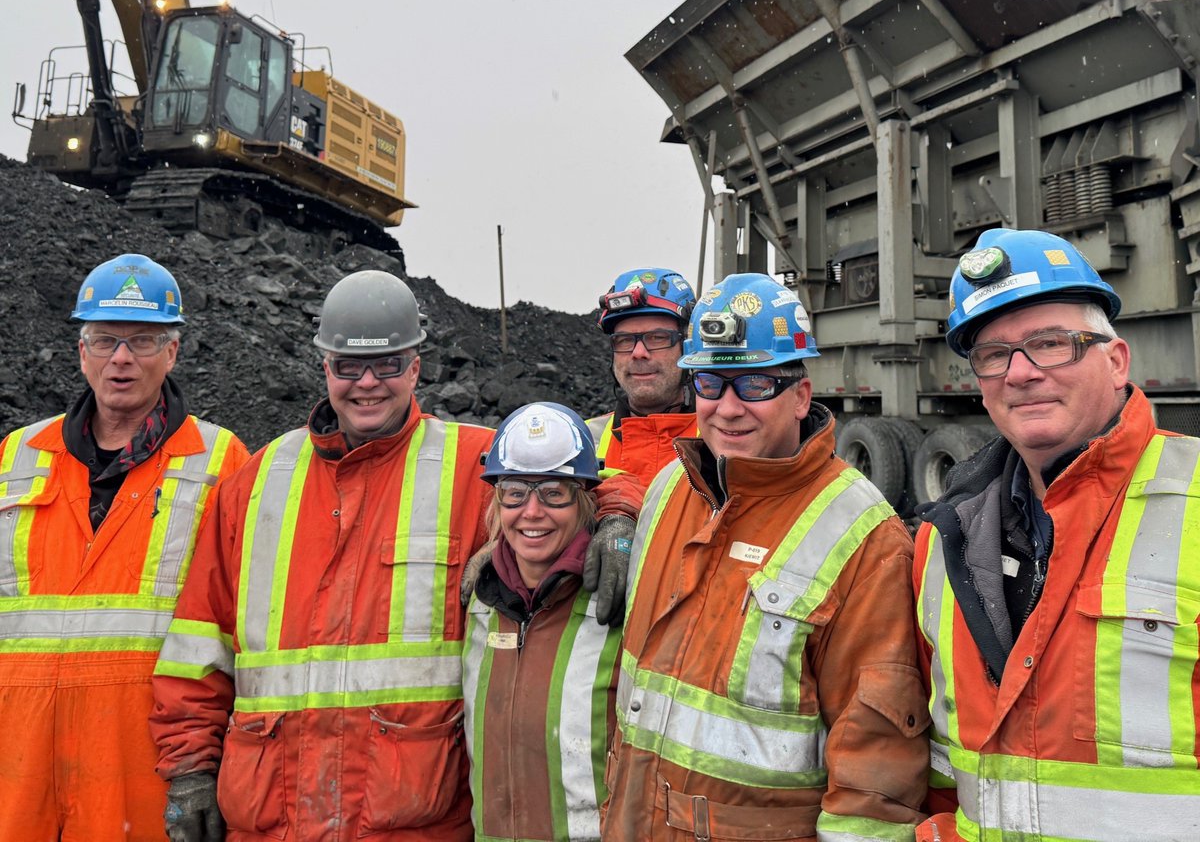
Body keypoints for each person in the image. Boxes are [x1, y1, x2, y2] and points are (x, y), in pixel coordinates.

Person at [151, 269, 640, 842]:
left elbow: (576, 474)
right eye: (348, 366)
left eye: (388, 365)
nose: (368, 384)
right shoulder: (256, 481)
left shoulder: (470, 464)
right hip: (272, 815)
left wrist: (618, 513)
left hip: (412, 817)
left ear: (415, 366)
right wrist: (189, 766)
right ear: (324, 367)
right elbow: (198, 644)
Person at [603, 272, 929, 841]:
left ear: (801, 396)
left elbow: (875, 774)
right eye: (710, 383)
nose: (728, 409)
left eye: (753, 383)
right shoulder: (667, 493)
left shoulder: (862, 535)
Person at [914, 227, 1200, 841]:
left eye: (1050, 344)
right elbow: (939, 754)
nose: (1020, 372)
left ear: (1116, 360)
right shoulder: (942, 541)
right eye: (994, 354)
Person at [0, 252, 248, 842]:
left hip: (143, 761)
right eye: (105, 339)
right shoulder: (16, 455)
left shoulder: (219, 462)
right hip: (16, 762)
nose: (121, 358)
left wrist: (204, 765)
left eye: (142, 341)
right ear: (81, 350)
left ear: (173, 352)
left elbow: (239, 625)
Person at [463, 401, 622, 842]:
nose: (532, 513)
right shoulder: (480, 604)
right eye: (514, 492)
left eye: (554, 492)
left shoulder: (620, 601)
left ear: (586, 499)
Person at [586, 267, 699, 485]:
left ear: (688, 346)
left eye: (657, 337)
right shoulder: (581, 441)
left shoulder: (725, 438)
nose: (638, 353)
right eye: (625, 340)